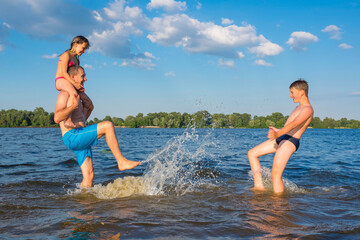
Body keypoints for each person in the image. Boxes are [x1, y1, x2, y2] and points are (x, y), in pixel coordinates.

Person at [54, 65, 141, 188]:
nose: (85, 79)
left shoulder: (76, 96)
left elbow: (82, 118)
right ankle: (121, 161)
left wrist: (86, 107)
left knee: (89, 176)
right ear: (72, 77)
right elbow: (57, 118)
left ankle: (85, 202)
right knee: (107, 125)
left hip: (80, 134)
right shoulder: (64, 94)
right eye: (82, 76)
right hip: (72, 136)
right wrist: (73, 107)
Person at [247, 79, 313, 194]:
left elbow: (294, 124)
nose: (290, 95)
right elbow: (289, 126)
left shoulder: (308, 109)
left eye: (292, 92)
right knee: (252, 153)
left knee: (275, 175)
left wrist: (278, 134)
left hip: (290, 142)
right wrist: (277, 130)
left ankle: (278, 204)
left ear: (301, 92)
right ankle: (259, 187)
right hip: (283, 137)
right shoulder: (298, 107)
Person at [55, 36, 90, 128]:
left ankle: (81, 122)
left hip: (70, 82)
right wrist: (74, 84)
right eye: (83, 48)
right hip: (61, 80)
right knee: (74, 94)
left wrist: (80, 85)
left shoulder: (77, 60)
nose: (84, 51)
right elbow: (63, 72)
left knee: (87, 102)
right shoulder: (66, 55)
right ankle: (68, 120)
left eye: (85, 49)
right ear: (75, 44)